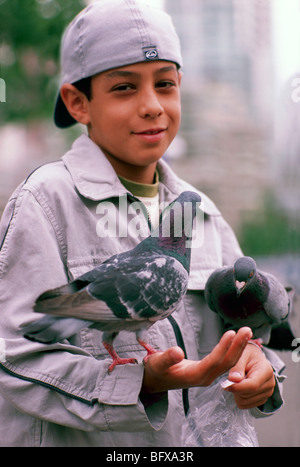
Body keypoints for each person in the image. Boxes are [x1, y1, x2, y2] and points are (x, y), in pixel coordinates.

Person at [0, 0, 285, 447]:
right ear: (78, 102)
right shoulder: (45, 203)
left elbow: (249, 330)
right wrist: (140, 383)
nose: (152, 106)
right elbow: (13, 358)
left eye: (165, 84)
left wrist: (259, 363)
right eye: (124, 88)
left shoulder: (203, 214)